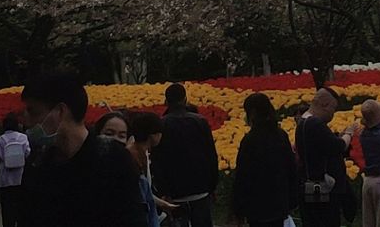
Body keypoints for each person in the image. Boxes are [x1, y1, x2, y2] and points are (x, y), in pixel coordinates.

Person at [19, 71, 148, 227]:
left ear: (60, 112)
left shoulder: (113, 160)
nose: (25, 120)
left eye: (33, 111)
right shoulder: (38, 164)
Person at [152, 84, 219, 227]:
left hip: (175, 195)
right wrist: (212, 186)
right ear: (185, 99)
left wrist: (163, 191)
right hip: (200, 190)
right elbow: (211, 156)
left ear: (166, 101)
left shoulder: (161, 124)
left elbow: (157, 161)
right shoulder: (200, 122)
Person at [232, 93, 299, 227]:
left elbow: (243, 177)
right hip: (279, 203)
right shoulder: (280, 135)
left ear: (253, 113)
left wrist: (238, 210)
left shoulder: (250, 140)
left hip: (257, 207)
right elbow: (291, 168)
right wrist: (291, 200)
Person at [294, 88, 358, 227]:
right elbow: (338, 147)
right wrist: (349, 134)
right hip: (323, 190)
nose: (333, 114)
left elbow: (324, 146)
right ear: (324, 104)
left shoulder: (303, 122)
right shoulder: (314, 124)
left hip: (312, 187)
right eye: (332, 109)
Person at [127, 113, 177, 226]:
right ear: (152, 135)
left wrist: (163, 204)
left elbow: (145, 191)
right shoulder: (132, 155)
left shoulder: (143, 152)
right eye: (160, 133)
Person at [0, 113, 29, 227]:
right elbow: (27, 153)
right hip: (21, 177)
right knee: (21, 206)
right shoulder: (23, 137)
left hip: (5, 179)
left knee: (7, 208)